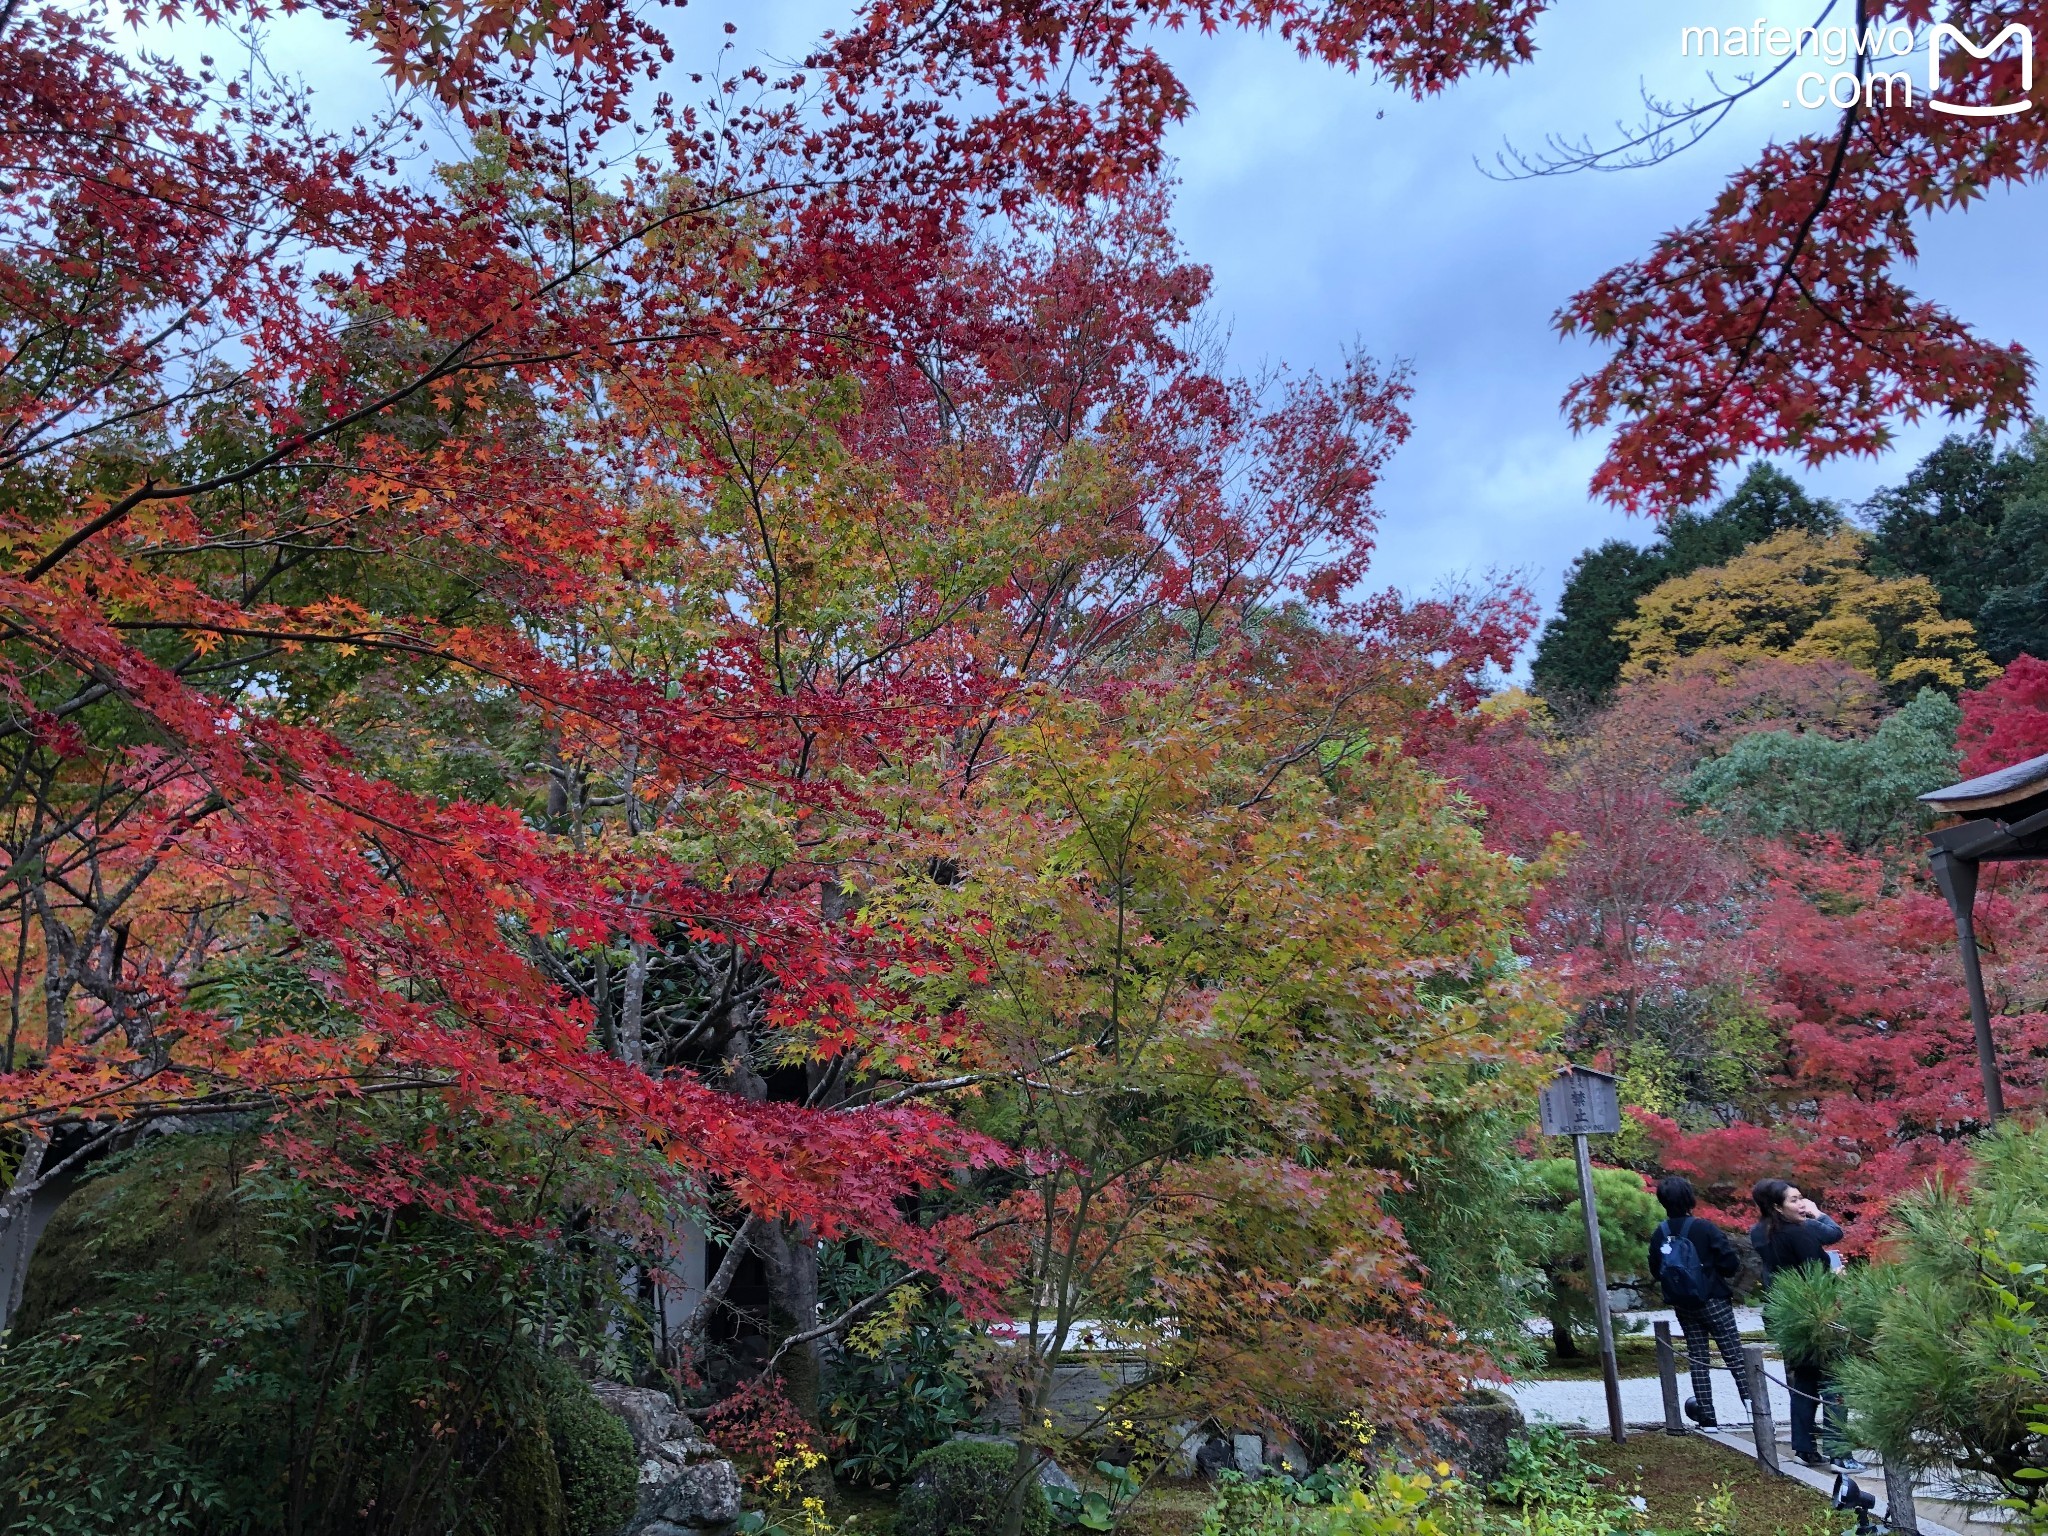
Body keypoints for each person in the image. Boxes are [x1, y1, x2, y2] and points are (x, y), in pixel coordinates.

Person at [1751, 1178, 1863, 1471]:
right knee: (1834, 1383)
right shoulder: (1801, 1232)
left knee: (1804, 1381)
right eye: (1794, 1200)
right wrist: (1835, 1273)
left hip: (1787, 1314)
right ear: (1777, 1206)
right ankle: (1839, 1452)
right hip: (1818, 1314)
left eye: (1802, 1198)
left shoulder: (1758, 1233)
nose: (1801, 1204)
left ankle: (1804, 1448)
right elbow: (1821, 1269)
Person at [1646, 1176, 1752, 1428]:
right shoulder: (1704, 1228)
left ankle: (1708, 1419)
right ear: (1690, 1198)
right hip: (1713, 1299)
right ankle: (1754, 1412)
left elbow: (1655, 1269)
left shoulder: (1660, 1233)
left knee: (1698, 1358)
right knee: (1735, 1356)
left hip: (1683, 1304)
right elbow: (1729, 1264)